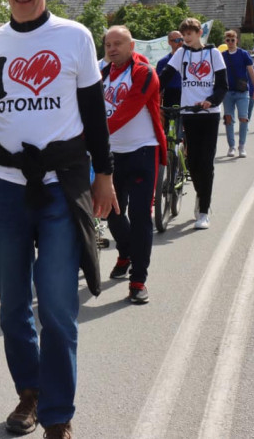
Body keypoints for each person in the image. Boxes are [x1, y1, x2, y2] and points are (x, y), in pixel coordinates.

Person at [0, 0, 117, 438]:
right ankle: (30, 393)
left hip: (61, 186)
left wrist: (102, 176)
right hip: (4, 188)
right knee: (13, 304)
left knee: (59, 305)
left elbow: (93, 114)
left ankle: (59, 415)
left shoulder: (74, 37)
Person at [101, 26, 166, 305]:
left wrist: (91, 134)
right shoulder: (101, 74)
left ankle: (138, 280)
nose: (112, 49)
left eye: (118, 43)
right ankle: (126, 252)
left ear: (131, 45)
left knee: (140, 217)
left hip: (142, 151)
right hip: (111, 154)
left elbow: (128, 109)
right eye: (108, 45)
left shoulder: (145, 72)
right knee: (111, 212)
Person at [158, 18, 227, 231]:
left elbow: (223, 85)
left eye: (189, 34)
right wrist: (150, 95)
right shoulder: (181, 54)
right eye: (183, 35)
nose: (186, 38)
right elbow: (164, 77)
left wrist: (210, 101)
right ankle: (201, 192)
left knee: (205, 163)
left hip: (208, 114)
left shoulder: (213, 53)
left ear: (199, 33)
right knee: (193, 162)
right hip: (188, 113)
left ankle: (204, 209)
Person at [221, 30, 254, 158]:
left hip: (242, 91)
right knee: (228, 119)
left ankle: (242, 146)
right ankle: (231, 146)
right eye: (228, 40)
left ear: (237, 40)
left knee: (243, 118)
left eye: (232, 40)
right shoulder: (222, 55)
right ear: (225, 41)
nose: (230, 42)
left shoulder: (244, 54)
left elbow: (251, 72)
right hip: (227, 92)